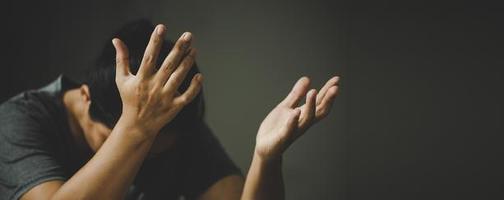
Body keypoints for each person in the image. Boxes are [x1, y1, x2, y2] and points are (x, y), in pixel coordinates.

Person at [0, 20, 340, 200]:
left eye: (151, 150)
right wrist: (136, 129)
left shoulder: (170, 125)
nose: (140, 160)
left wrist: (267, 158)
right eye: (116, 137)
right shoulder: (19, 121)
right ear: (85, 97)